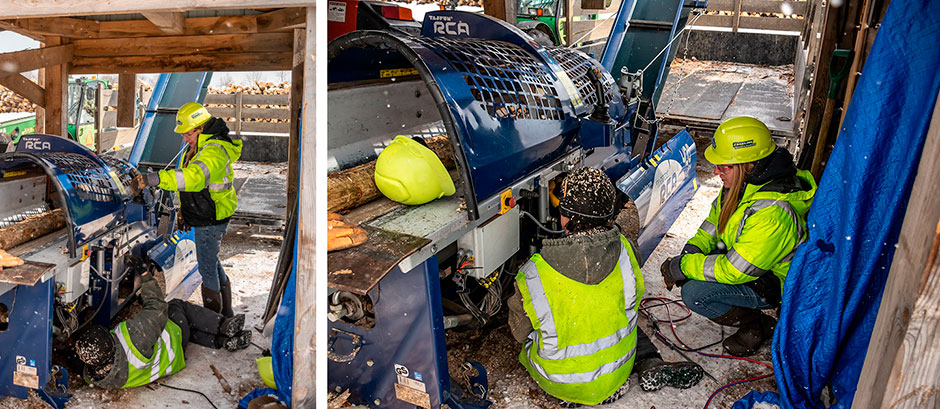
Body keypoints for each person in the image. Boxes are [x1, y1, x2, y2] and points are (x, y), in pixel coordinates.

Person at [508, 167, 704, 406]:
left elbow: (519, 333)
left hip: (559, 380)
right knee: (615, 316)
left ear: (565, 218)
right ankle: (647, 361)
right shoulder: (627, 250)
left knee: (543, 331)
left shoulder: (532, 274)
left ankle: (576, 391)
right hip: (618, 369)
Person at [659, 116, 816, 357]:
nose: (715, 171)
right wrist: (692, 250)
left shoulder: (772, 213)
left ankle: (758, 324)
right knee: (697, 270)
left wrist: (684, 266)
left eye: (724, 166)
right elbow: (714, 222)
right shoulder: (742, 184)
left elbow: (734, 270)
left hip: (770, 281)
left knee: (695, 294)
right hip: (747, 260)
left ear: (749, 164)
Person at [133, 102, 243, 317]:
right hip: (206, 214)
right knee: (212, 261)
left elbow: (193, 178)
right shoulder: (200, 146)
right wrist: (184, 210)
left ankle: (214, 320)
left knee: (207, 268)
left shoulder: (214, 150)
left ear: (200, 128)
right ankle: (226, 315)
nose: (184, 138)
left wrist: (154, 179)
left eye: (187, 133)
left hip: (210, 217)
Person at [73, 270, 252, 389]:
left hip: (170, 361)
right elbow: (157, 306)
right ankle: (223, 325)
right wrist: (145, 275)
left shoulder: (96, 377)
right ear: (111, 342)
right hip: (173, 342)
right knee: (175, 307)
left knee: (186, 330)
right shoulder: (133, 337)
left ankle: (223, 341)